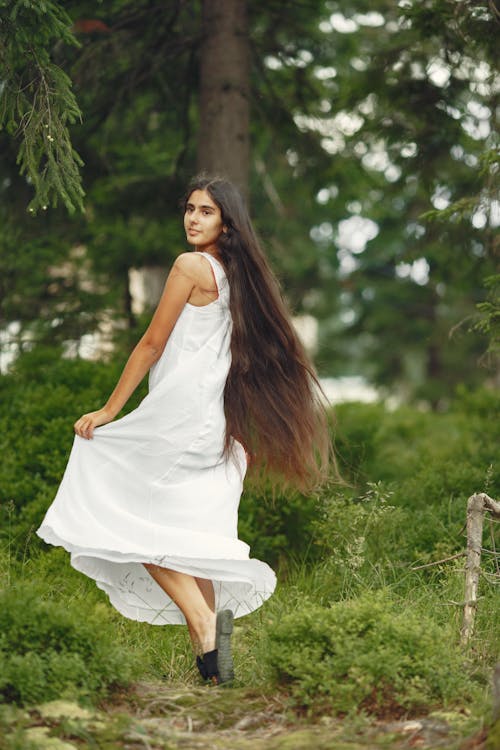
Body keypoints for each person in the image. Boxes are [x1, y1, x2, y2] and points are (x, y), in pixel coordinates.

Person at [37, 174, 330, 685]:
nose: (193, 219)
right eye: (190, 209)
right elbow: (228, 361)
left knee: (126, 512)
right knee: (193, 535)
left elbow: (151, 343)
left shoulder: (191, 265)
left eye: (206, 212)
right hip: (204, 418)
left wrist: (109, 411)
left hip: (178, 416)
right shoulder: (236, 276)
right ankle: (216, 670)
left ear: (226, 222)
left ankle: (201, 623)